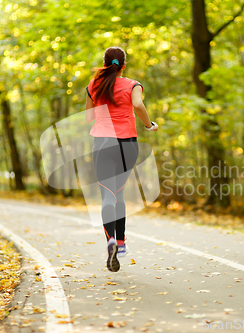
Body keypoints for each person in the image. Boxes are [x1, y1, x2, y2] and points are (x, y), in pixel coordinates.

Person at [85, 46, 158, 272]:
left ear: (105, 63)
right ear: (124, 65)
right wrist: (149, 125)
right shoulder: (132, 85)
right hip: (127, 144)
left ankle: (110, 240)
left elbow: (89, 117)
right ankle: (121, 242)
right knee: (119, 192)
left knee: (108, 194)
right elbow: (137, 105)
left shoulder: (93, 86)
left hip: (102, 143)